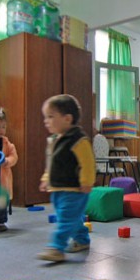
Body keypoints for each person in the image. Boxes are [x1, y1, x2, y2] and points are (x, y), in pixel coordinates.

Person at [37, 94, 96, 262]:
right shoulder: (55, 140)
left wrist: (87, 182)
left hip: (75, 189)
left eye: (50, 116)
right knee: (72, 218)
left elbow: (88, 163)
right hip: (57, 188)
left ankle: (56, 248)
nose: (46, 121)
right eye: (45, 117)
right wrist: (46, 178)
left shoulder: (79, 140)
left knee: (65, 219)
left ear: (67, 119)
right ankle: (82, 240)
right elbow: (51, 163)